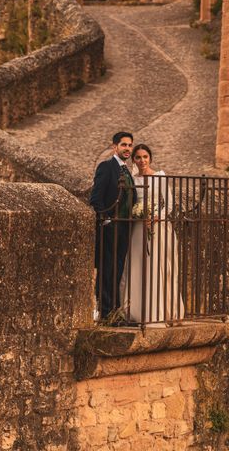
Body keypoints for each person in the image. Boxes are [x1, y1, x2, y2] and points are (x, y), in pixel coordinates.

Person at [121, 144, 183, 325]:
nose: (142, 161)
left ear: (150, 158)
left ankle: (160, 312)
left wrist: (157, 217)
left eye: (145, 157)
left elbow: (169, 205)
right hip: (139, 228)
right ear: (134, 160)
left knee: (158, 266)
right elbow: (130, 203)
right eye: (138, 157)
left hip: (160, 227)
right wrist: (138, 214)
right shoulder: (132, 179)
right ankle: (137, 311)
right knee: (138, 266)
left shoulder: (160, 177)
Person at [89, 132, 136, 320]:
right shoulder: (107, 167)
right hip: (110, 227)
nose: (127, 149)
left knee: (117, 271)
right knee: (107, 270)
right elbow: (95, 198)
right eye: (124, 145)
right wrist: (107, 220)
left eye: (130, 145)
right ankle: (106, 312)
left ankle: (114, 312)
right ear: (114, 147)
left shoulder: (127, 170)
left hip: (125, 228)